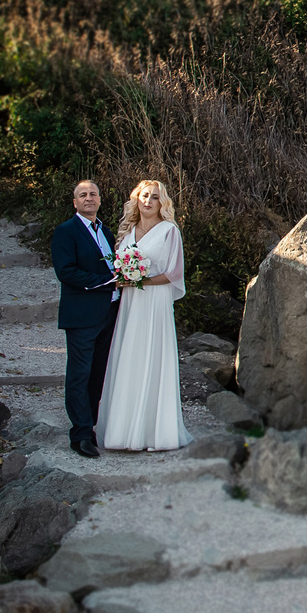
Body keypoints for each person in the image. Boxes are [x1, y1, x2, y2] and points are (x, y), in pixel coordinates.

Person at [94, 178, 189, 452]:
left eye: (155, 197)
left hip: (154, 302)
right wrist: (125, 278)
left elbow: (173, 273)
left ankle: (154, 433)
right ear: (137, 199)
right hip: (130, 303)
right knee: (129, 357)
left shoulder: (169, 231)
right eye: (144, 196)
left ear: (163, 203)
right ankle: (121, 432)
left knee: (151, 356)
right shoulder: (126, 232)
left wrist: (138, 281)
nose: (148, 201)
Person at [50, 180, 120, 459]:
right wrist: (108, 283)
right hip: (81, 315)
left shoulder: (108, 232)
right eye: (83, 195)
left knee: (98, 374)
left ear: (100, 200)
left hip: (110, 313)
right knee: (79, 375)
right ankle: (80, 435)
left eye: (93, 194)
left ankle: (90, 425)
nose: (89, 198)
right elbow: (66, 272)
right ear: (75, 203)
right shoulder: (66, 231)